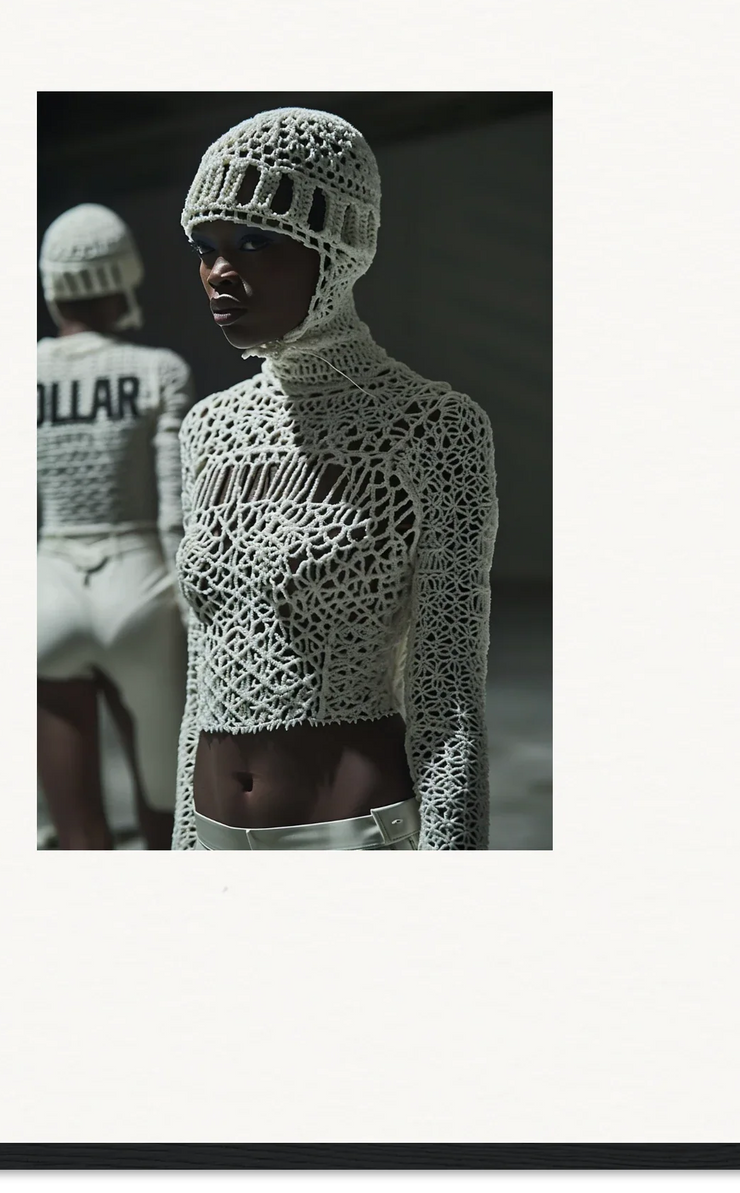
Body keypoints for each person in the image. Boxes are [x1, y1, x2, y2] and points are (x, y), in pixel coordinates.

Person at [172, 109, 498, 851]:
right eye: (206, 247)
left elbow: (446, 694)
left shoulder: (432, 427)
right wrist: (182, 843)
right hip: (214, 827)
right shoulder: (207, 430)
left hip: (350, 832)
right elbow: (202, 674)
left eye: (256, 240)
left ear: (338, 248)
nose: (221, 270)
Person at [37, 203, 193, 850]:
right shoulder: (159, 369)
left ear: (53, 286)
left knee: (75, 835)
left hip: (48, 589)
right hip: (142, 588)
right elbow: (173, 511)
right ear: (123, 275)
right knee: (166, 814)